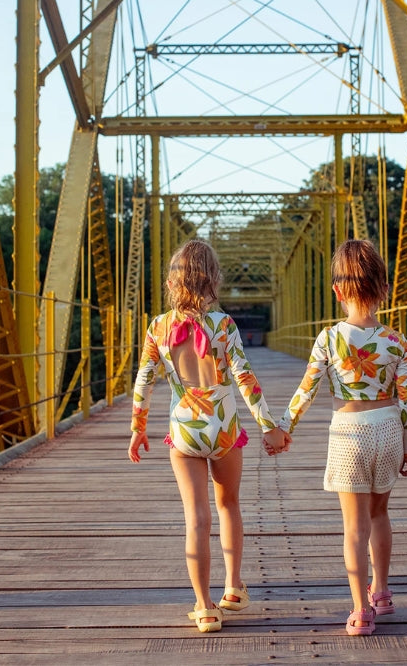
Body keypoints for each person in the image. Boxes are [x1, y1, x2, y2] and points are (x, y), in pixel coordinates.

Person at [128, 239, 291, 633]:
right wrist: (269, 427)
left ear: (172, 281)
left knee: (195, 518)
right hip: (224, 428)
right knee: (228, 504)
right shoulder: (224, 325)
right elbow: (245, 378)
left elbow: (145, 380)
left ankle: (203, 607)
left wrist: (138, 428)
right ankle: (233, 588)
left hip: (183, 429)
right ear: (213, 280)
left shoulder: (158, 327)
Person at [266, 239, 407, 636]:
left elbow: (307, 390)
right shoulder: (396, 341)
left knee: (354, 528)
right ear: (384, 289)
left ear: (337, 291)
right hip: (387, 430)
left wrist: (283, 429)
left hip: (349, 434)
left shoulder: (329, 339)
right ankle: (381, 594)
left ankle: (359, 610)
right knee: (380, 514)